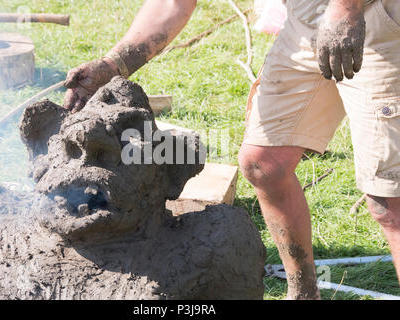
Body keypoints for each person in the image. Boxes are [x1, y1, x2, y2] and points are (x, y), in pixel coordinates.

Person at [63, 0, 400, 299]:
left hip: (374, 16)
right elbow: (173, 3)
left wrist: (346, 7)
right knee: (263, 164)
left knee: (389, 199)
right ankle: (304, 292)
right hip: (306, 20)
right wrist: (111, 66)